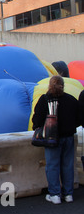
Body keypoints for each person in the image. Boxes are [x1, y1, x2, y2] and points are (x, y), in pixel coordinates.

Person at [32, 75, 80, 204]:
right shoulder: (71, 99)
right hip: (68, 137)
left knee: (52, 166)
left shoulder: (44, 99)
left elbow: (36, 120)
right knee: (68, 165)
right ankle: (68, 194)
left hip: (51, 139)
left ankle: (55, 194)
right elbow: (79, 118)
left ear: (49, 85)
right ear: (63, 86)